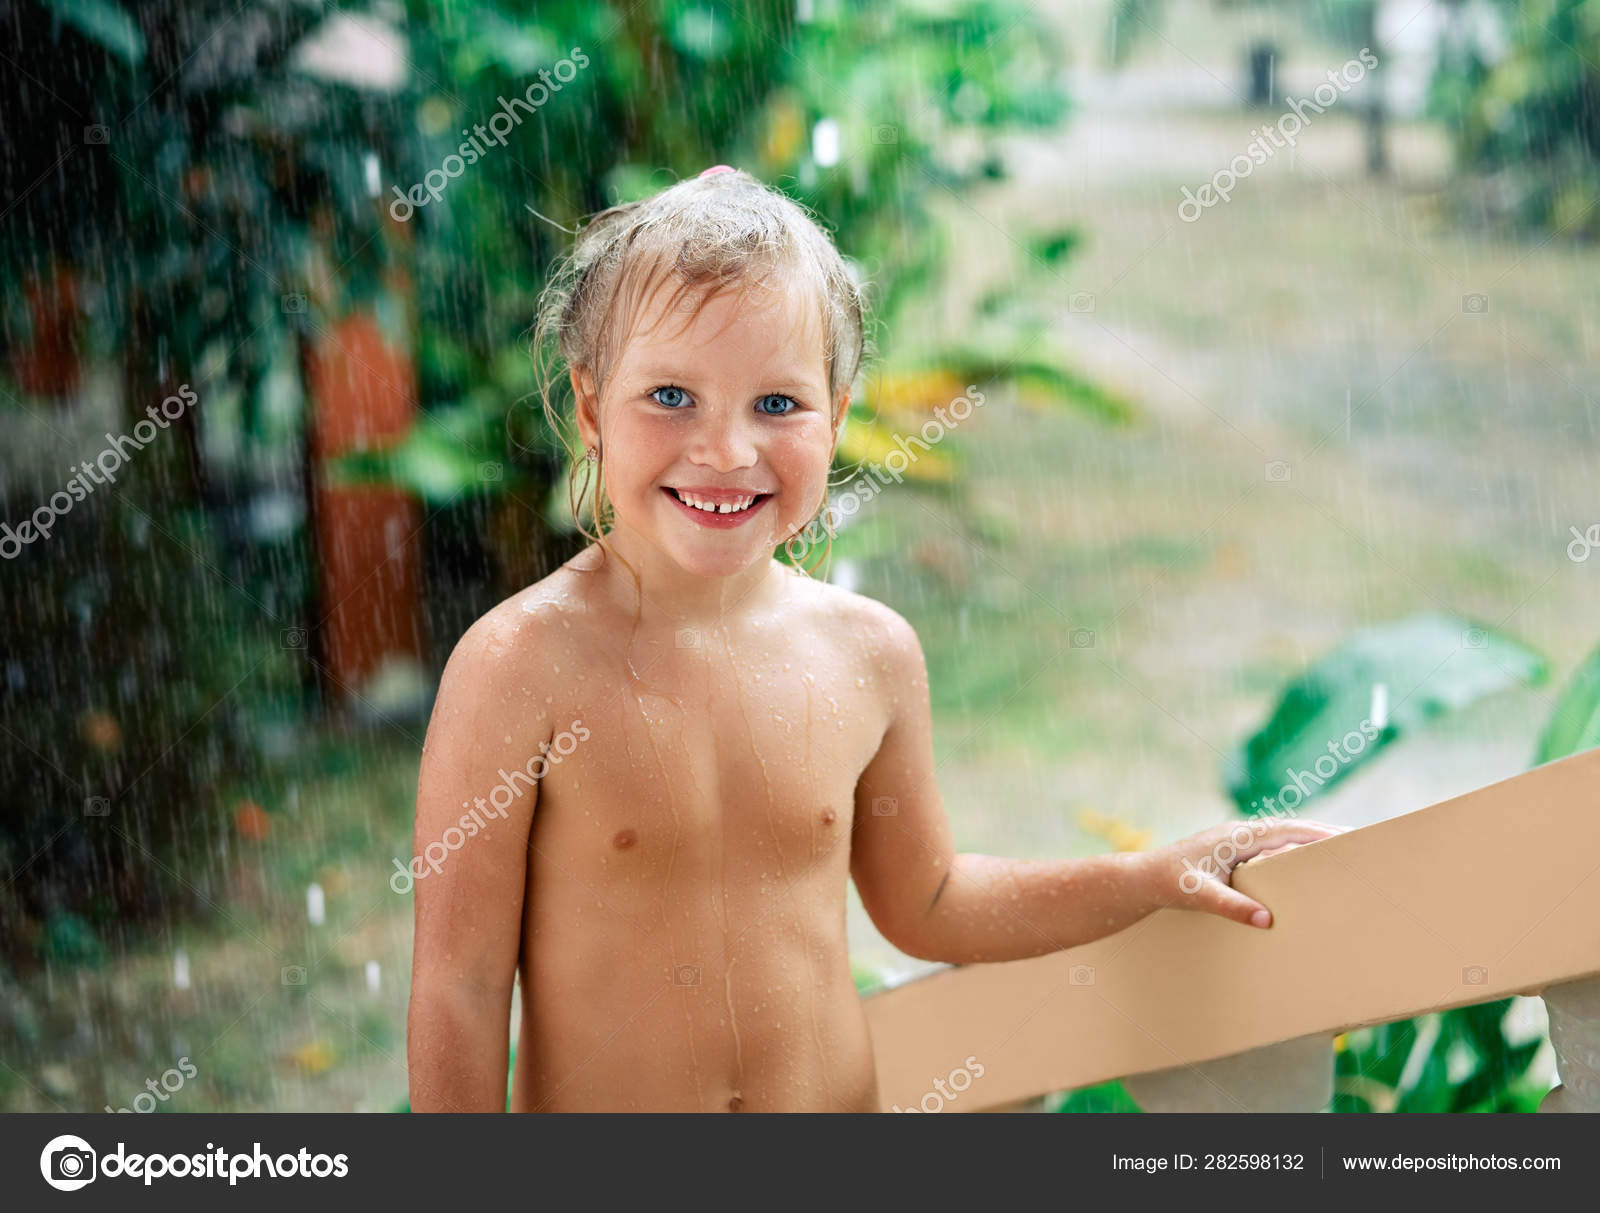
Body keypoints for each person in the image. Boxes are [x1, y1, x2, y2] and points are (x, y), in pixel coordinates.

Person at [405, 166, 1340, 1113]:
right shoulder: (519, 666)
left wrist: (1145, 875)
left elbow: (931, 902)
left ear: (839, 415)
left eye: (778, 404)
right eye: (671, 396)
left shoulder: (868, 654)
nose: (726, 450)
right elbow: (460, 985)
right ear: (594, 407)